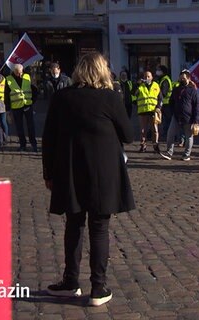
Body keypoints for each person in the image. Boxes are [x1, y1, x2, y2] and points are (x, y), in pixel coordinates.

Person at [42, 52, 135, 307]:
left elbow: (48, 139)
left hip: (69, 171)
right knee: (99, 228)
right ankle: (98, 286)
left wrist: (48, 173)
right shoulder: (111, 98)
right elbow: (128, 135)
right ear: (102, 71)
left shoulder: (62, 97)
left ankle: (70, 281)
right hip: (102, 174)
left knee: (74, 225)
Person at [159, 69, 199, 161]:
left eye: (184, 78)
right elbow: (171, 102)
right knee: (170, 134)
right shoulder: (176, 89)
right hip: (176, 116)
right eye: (180, 78)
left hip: (189, 118)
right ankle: (169, 153)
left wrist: (196, 121)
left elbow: (197, 106)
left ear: (189, 79)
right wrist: (172, 112)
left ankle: (186, 154)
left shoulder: (193, 91)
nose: (182, 80)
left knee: (188, 136)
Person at [5, 63, 39, 152]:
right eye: (17, 73)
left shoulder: (27, 77)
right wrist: (8, 109)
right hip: (16, 107)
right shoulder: (8, 79)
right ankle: (22, 144)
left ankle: (33, 143)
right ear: (14, 71)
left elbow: (35, 89)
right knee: (19, 127)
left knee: (31, 126)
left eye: (20, 72)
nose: (19, 74)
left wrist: (32, 101)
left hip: (27, 105)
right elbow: (6, 95)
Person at [134, 70, 162, 153]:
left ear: (152, 77)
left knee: (155, 129)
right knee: (143, 130)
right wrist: (137, 84)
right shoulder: (140, 86)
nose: (147, 78)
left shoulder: (156, 86)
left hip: (153, 111)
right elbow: (133, 94)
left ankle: (155, 145)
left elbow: (160, 98)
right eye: (145, 76)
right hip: (143, 111)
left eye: (148, 76)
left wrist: (158, 107)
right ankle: (143, 146)